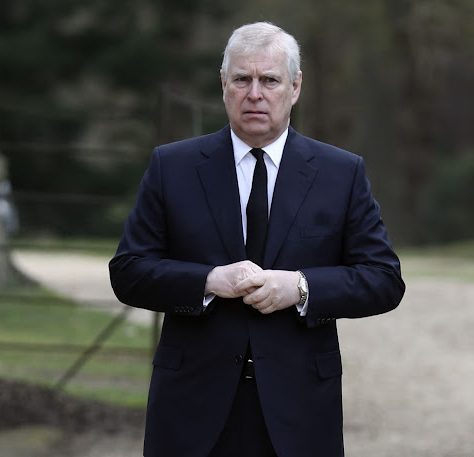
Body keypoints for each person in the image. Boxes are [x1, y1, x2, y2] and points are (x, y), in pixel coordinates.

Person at [109, 22, 405, 457]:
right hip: (191, 408)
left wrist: (301, 287)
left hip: (300, 410)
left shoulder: (341, 173)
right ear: (224, 85)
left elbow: (383, 279)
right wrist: (209, 281)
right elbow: (129, 271)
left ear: (295, 87)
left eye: (269, 80)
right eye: (242, 79)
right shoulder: (172, 167)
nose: (255, 93)